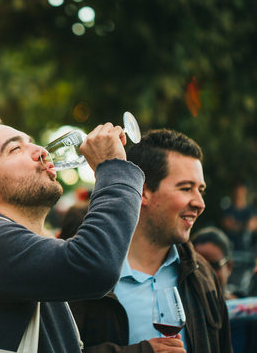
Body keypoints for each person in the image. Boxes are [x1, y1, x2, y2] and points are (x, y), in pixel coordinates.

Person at [0, 114, 144, 352]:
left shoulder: (5, 255)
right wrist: (114, 168)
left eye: (32, 142)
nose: (42, 151)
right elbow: (95, 265)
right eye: (14, 149)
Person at [70, 129, 232, 353]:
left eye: (200, 190)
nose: (200, 203)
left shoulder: (202, 275)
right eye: (186, 188)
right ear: (143, 191)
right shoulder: (80, 274)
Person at [220, 182, 257, 295]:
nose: (239, 194)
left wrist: (237, 225)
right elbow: (228, 224)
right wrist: (244, 225)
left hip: (247, 255)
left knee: (245, 286)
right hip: (231, 254)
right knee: (230, 287)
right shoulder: (227, 209)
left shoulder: (250, 210)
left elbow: (252, 226)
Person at [191, 226, 236, 299]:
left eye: (214, 266)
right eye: (198, 267)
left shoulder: (245, 308)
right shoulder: (180, 307)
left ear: (229, 266)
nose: (206, 273)